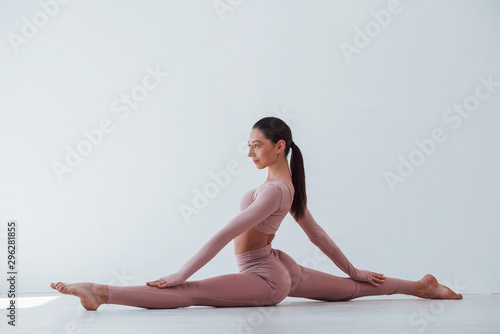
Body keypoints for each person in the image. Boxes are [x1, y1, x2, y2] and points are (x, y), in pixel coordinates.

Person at [50, 116, 463, 310]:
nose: (249, 152)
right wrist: (352, 270)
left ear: (279, 146)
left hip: (265, 279)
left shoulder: (273, 193)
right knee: (351, 290)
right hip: (280, 265)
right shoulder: (287, 188)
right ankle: (418, 286)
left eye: (256, 145)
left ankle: (100, 292)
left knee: (188, 294)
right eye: (248, 146)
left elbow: (222, 235)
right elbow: (317, 235)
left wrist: (181, 274)